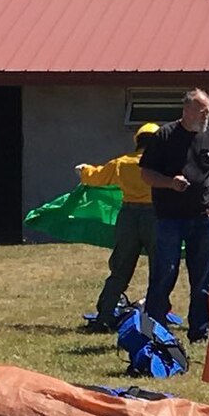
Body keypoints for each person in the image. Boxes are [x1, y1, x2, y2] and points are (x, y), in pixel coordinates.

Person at [140, 88, 209, 344]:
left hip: (202, 219)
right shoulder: (165, 135)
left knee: (203, 276)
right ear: (186, 110)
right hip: (169, 219)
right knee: (164, 272)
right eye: (202, 110)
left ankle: (199, 331)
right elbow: (146, 174)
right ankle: (154, 329)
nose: (207, 115)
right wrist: (169, 182)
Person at [76, 123, 161, 332]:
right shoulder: (163, 163)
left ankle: (105, 315)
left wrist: (84, 170)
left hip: (128, 218)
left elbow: (96, 177)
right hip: (156, 218)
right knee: (159, 271)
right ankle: (156, 317)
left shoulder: (121, 164)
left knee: (120, 269)